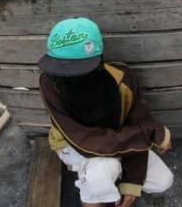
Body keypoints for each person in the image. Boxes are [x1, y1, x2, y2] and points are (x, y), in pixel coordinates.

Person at [37, 18, 173, 206]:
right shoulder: (48, 82)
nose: (68, 76)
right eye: (60, 68)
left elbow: (137, 124)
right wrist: (150, 133)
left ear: (98, 60)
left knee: (162, 181)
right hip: (72, 144)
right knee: (101, 172)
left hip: (116, 138)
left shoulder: (123, 78)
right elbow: (83, 140)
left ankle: (106, 175)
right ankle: (96, 181)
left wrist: (132, 181)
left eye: (78, 69)